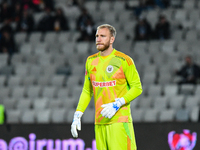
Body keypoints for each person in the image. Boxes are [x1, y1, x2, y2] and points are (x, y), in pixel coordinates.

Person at [71, 24, 143, 150]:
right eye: (97, 36)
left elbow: (137, 87)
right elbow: (87, 90)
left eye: (103, 36)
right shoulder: (90, 61)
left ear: (111, 39)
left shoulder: (124, 60)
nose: (98, 39)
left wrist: (118, 103)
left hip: (119, 121)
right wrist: (78, 114)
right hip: (99, 122)